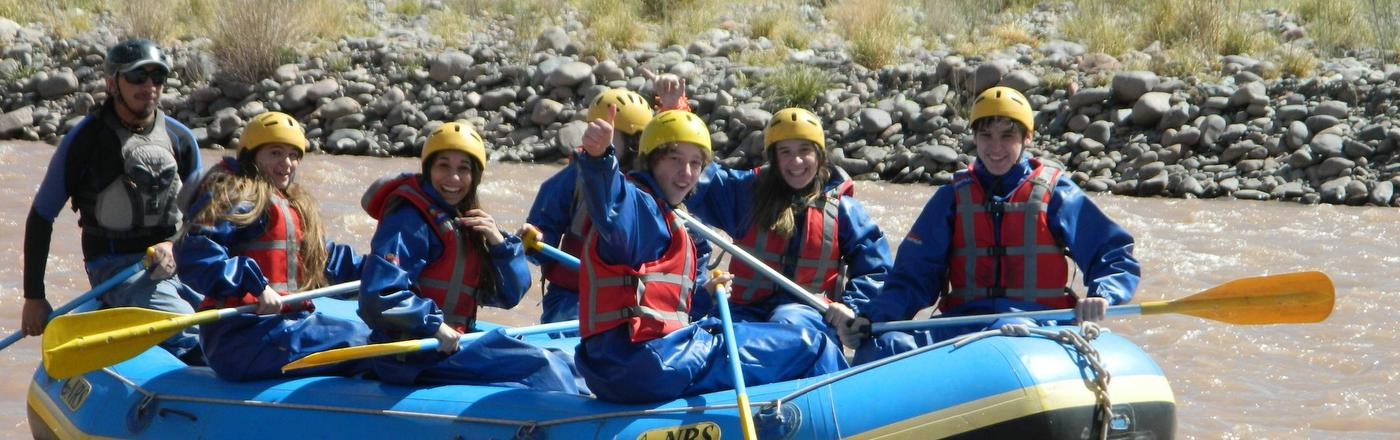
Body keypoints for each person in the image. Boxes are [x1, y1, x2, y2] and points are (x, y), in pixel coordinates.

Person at [827, 86, 1141, 364]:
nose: (995, 147)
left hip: (1034, 324)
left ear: (1026, 138)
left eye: (1008, 136)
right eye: (986, 136)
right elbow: (912, 278)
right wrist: (873, 318)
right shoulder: (952, 197)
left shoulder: (1057, 194)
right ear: (975, 137)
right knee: (882, 347)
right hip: (961, 325)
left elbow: (1112, 253)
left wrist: (1103, 295)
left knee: (999, 339)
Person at [574, 109, 847, 403]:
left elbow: (660, 301)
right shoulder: (641, 208)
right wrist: (599, 160)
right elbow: (613, 208)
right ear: (651, 160)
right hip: (653, 362)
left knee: (724, 331)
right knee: (813, 345)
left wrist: (703, 294)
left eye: (695, 163)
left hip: (612, 368)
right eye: (675, 160)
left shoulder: (666, 212)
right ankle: (845, 417)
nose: (687, 173)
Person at [358, 122, 579, 392]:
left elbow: (509, 296)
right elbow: (379, 293)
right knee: (543, 365)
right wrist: (434, 326)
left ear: (474, 176)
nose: (453, 179)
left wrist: (500, 246)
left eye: (463, 168)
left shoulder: (463, 223)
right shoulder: (409, 219)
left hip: (450, 345)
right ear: (428, 169)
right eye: (444, 166)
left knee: (563, 360)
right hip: (415, 354)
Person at [21, 38, 202, 361]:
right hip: (115, 266)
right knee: (187, 330)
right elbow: (41, 217)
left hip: (176, 258)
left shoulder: (181, 139)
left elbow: (201, 216)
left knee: (236, 312)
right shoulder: (86, 140)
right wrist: (34, 297)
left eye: (157, 78)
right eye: (137, 77)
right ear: (112, 82)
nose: (148, 86)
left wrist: (174, 243)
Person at [175, 112, 369, 381]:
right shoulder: (235, 196)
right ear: (251, 156)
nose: (286, 163)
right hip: (241, 337)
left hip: (283, 327)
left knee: (374, 336)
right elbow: (197, 254)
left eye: (293, 155)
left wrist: (379, 270)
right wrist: (255, 285)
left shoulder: (291, 204)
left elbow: (324, 259)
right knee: (363, 342)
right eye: (275, 153)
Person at [689, 108, 892, 341]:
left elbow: (877, 270)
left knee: (788, 324)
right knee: (712, 334)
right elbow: (689, 178)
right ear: (774, 158)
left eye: (804, 150)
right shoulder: (746, 194)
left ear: (819, 155)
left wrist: (853, 307)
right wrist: (676, 111)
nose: (796, 161)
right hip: (742, 312)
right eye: (785, 152)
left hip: (807, 316)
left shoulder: (844, 211)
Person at [521, 78, 689, 324]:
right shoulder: (576, 177)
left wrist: (675, 109)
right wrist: (535, 239)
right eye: (598, 129)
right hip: (574, 294)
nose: (598, 137)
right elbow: (542, 235)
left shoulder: (657, 180)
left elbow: (682, 154)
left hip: (635, 293)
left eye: (611, 133)